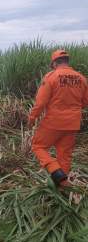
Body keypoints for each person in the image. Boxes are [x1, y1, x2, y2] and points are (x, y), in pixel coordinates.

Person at [29, 49, 88, 187]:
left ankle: (56, 172)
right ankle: (63, 185)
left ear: (55, 63)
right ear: (67, 62)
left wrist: (32, 118)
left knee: (38, 146)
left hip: (53, 122)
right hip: (73, 122)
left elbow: (40, 103)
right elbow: (85, 101)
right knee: (65, 154)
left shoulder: (51, 77)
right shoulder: (81, 78)